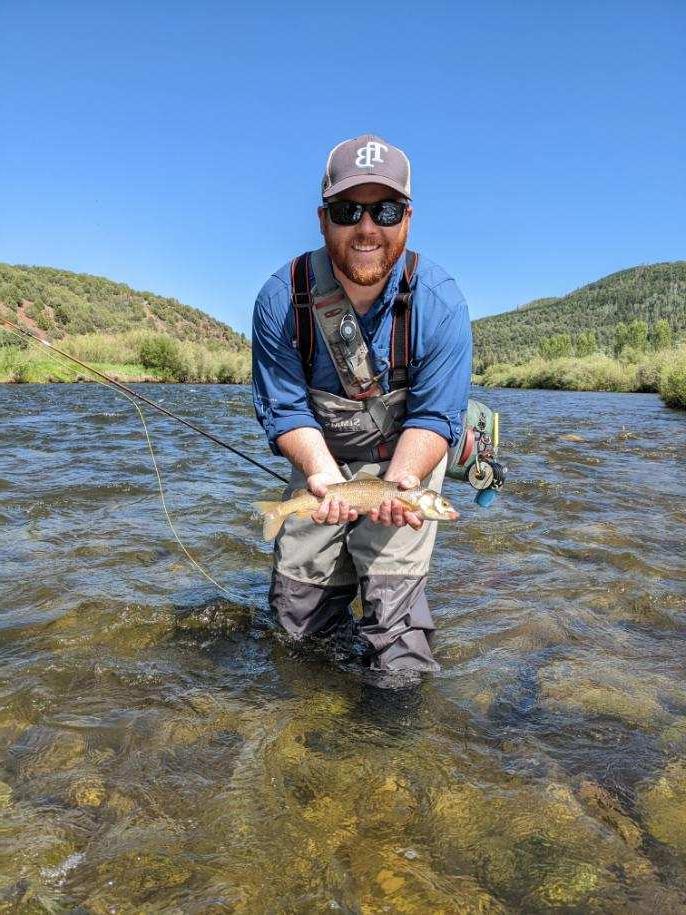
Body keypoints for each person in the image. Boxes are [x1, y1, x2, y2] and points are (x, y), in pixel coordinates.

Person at [252, 134, 472, 673]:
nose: (367, 228)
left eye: (385, 210)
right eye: (348, 210)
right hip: (323, 462)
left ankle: (393, 739)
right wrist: (323, 478)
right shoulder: (283, 301)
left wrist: (402, 486)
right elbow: (285, 410)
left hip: (406, 460)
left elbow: (432, 416)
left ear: (408, 218)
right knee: (298, 631)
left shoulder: (440, 305)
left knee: (397, 638)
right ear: (323, 218)